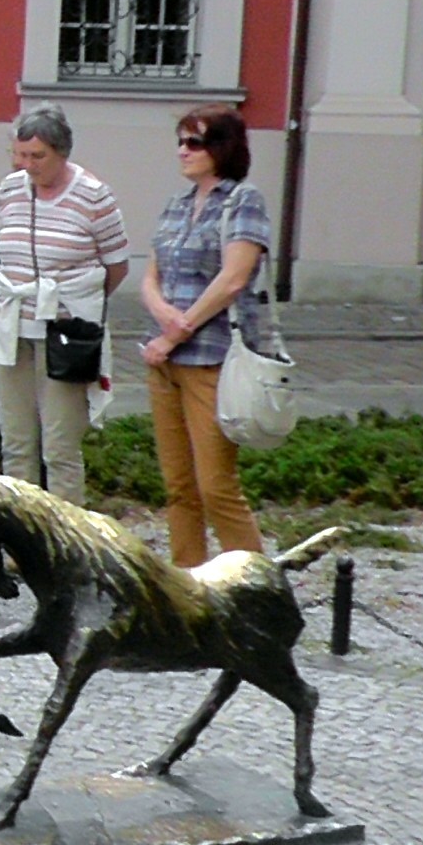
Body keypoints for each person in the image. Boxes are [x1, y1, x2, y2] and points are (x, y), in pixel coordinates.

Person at [136, 103, 272, 565]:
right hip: (164, 360)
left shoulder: (242, 200)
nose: (183, 151)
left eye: (194, 142)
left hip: (211, 359)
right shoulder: (176, 204)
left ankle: (253, 585)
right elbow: (150, 275)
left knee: (216, 486)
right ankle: (188, 586)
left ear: (222, 148)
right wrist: (160, 314)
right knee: (179, 487)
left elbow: (234, 279)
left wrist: (177, 331)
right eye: (180, 141)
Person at [0, 105, 130, 505]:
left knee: (59, 448)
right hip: (13, 329)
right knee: (16, 444)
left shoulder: (94, 195)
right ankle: (22, 536)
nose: (27, 165)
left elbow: (116, 266)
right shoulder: (10, 188)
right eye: (20, 155)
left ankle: (66, 543)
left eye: (37, 156)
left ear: (62, 152)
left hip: (63, 334)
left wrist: (73, 306)